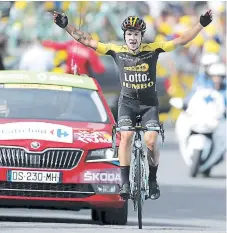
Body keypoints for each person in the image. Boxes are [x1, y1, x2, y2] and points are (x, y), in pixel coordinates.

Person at [52, 10, 213, 200]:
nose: (133, 38)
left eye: (136, 34)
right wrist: (66, 26)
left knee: (151, 141)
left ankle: (152, 181)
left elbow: (182, 40)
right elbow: (86, 40)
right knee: (126, 136)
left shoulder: (153, 49)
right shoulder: (116, 51)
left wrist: (201, 24)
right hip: (127, 103)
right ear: (125, 37)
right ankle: (125, 183)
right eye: (129, 34)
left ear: (141, 36)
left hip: (148, 105)